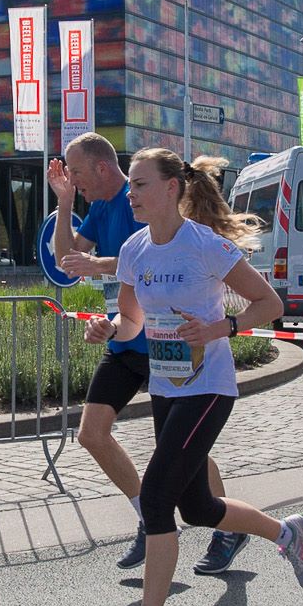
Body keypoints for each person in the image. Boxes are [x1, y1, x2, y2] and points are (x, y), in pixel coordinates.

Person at [83, 149, 303, 606]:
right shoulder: (133, 250)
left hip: (209, 387)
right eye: (130, 186)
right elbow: (131, 323)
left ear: (171, 188)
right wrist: (106, 329)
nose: (131, 194)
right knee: (199, 508)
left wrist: (220, 329)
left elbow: (269, 304)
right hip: (168, 387)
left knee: (159, 497)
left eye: (140, 185)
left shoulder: (204, 245)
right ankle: (288, 534)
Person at [47, 132, 245, 576]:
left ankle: (222, 526)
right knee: (92, 433)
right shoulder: (98, 208)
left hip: (167, 346)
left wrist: (98, 265)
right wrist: (62, 202)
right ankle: (147, 516)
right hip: (127, 333)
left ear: (101, 167)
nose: (74, 181)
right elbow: (66, 261)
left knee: (181, 450)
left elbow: (143, 260)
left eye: (75, 173)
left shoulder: (144, 204)